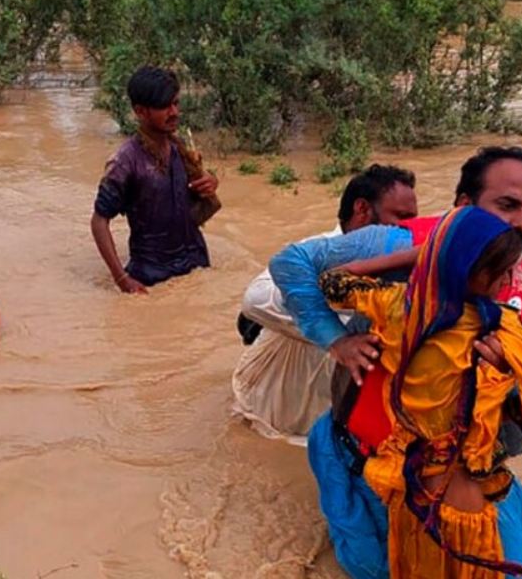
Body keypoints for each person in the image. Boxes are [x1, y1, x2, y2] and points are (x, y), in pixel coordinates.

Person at [269, 146, 522, 578]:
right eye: (507, 205)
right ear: (461, 207)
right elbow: (292, 263)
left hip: (451, 482)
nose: (521, 224)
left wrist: (500, 385)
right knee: (367, 566)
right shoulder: (394, 248)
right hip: (358, 450)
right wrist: (336, 339)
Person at [321, 207, 522, 577]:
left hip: (408, 484)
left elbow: (333, 280)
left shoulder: (399, 306)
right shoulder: (501, 328)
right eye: (500, 272)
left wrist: (422, 255)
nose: (507, 281)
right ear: (476, 273)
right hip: (459, 501)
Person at [232, 164, 418, 445]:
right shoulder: (314, 253)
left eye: (413, 219)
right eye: (401, 218)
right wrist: (335, 333)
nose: (409, 229)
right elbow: (254, 301)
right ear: (362, 210)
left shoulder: (406, 263)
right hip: (270, 411)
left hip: (345, 422)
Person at [91, 66, 221, 293]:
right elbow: (99, 222)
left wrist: (211, 181)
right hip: (152, 276)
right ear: (140, 112)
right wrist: (122, 280)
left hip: (196, 263)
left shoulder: (180, 147)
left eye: (176, 103)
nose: (174, 112)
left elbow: (196, 191)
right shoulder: (124, 162)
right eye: (164, 106)